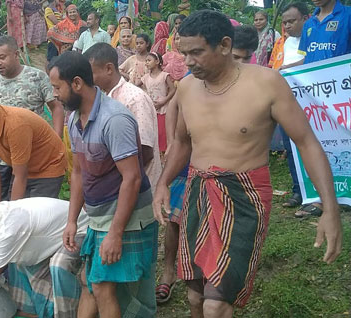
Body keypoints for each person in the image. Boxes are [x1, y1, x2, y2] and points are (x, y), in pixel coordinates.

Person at [152, 10, 342, 317]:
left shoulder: (267, 84)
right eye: (184, 52)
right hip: (197, 192)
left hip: (244, 196)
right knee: (196, 298)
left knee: (216, 304)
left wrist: (330, 210)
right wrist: (162, 183)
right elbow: (182, 143)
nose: (188, 61)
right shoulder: (186, 88)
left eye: (197, 52)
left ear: (225, 45)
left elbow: (307, 143)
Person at [50, 51, 158, 318]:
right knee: (92, 283)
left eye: (57, 87)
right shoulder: (74, 119)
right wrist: (72, 220)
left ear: (76, 84)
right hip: (100, 219)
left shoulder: (115, 120)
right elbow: (78, 173)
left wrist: (116, 233)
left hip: (127, 218)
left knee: (105, 286)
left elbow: (132, 178)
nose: (55, 95)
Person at [0, 194, 89, 317]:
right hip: (53, 234)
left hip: (79, 229)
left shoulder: (9, 229)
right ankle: (32, 310)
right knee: (21, 257)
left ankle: (67, 313)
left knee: (58, 265)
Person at [292, 0, 351, 217]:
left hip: (344, 93)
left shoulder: (348, 16)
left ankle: (346, 196)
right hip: (315, 97)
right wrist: (283, 72)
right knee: (321, 142)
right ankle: (320, 199)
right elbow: (306, 59)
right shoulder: (309, 24)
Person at [0, 89, 67, 204]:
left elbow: (20, 175)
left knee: (36, 213)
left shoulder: (16, 126)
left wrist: (12, 212)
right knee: (11, 210)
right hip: (22, 169)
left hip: (48, 165)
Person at [84, 43, 163, 190]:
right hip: (118, 186)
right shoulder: (104, 97)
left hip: (139, 189)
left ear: (109, 68)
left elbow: (145, 151)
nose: (89, 80)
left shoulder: (134, 98)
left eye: (91, 74)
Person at [0, 36, 65, 138]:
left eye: (2, 57)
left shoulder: (37, 77)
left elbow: (56, 107)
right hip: (7, 147)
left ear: (16, 55)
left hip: (37, 143)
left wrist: (57, 138)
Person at [141, 52, 176, 155]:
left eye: (149, 60)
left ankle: (165, 155)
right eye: (145, 61)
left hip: (163, 109)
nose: (146, 63)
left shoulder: (165, 76)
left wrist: (164, 100)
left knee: (162, 133)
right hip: (151, 110)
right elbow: (136, 86)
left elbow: (173, 89)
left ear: (157, 61)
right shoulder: (145, 77)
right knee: (154, 133)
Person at [298, 0, 351, 64]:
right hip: (314, 73)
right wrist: (287, 69)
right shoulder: (308, 23)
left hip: (341, 72)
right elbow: (307, 59)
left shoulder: (348, 15)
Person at [269, 2, 309, 70]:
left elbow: (315, 61)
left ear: (305, 19)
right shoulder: (288, 41)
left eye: (291, 21)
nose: (287, 26)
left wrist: (288, 68)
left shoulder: (315, 39)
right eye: (285, 23)